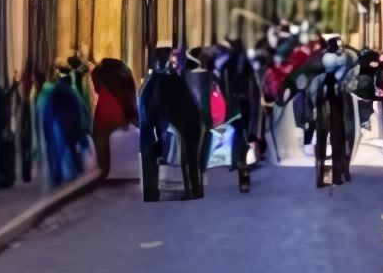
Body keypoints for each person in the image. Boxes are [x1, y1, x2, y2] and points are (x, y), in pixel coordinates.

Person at [139, 48, 209, 201]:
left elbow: (155, 105)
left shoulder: (160, 80)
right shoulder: (175, 78)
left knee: (187, 158)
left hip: (185, 123)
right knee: (191, 158)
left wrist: (150, 121)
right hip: (192, 121)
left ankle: (191, 190)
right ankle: (194, 190)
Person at [303, 37, 357, 187]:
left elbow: (310, 96)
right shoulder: (341, 73)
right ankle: (337, 173)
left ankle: (326, 175)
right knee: (338, 142)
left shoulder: (319, 78)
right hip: (333, 112)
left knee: (327, 142)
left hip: (325, 112)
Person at [218, 42, 264, 192]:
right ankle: (243, 173)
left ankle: (242, 172)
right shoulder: (236, 66)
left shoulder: (229, 66)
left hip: (239, 106)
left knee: (240, 139)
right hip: (240, 105)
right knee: (241, 139)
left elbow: (223, 87)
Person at [40, 62, 89, 185]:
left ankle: (59, 176)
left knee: (57, 153)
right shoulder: (71, 94)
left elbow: (48, 114)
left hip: (57, 126)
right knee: (66, 151)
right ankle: (68, 174)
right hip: (64, 127)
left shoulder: (55, 93)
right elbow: (79, 113)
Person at [91, 54, 136, 180]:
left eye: (95, 83)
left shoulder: (106, 100)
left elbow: (100, 136)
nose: (94, 90)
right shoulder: (123, 97)